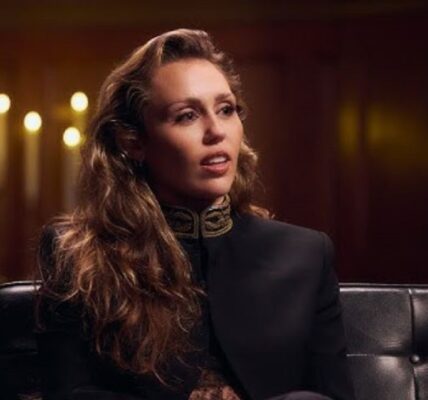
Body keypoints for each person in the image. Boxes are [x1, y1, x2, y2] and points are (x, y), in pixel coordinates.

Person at [36, 28, 355, 400]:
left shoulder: (306, 254)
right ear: (132, 142)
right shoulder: (76, 254)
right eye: (187, 116)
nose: (216, 131)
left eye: (226, 109)